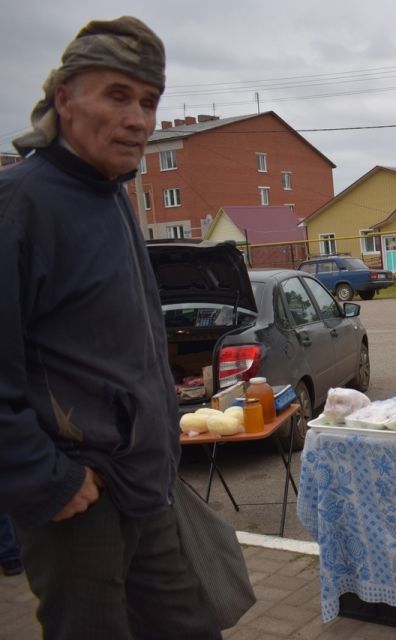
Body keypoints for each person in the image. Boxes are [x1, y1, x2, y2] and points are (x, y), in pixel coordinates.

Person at [0, 17, 222, 639]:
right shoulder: (22, 204)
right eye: (118, 96)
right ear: (64, 99)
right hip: (79, 500)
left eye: (148, 101)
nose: (139, 120)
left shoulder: (111, 198)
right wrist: (47, 480)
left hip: (143, 486)